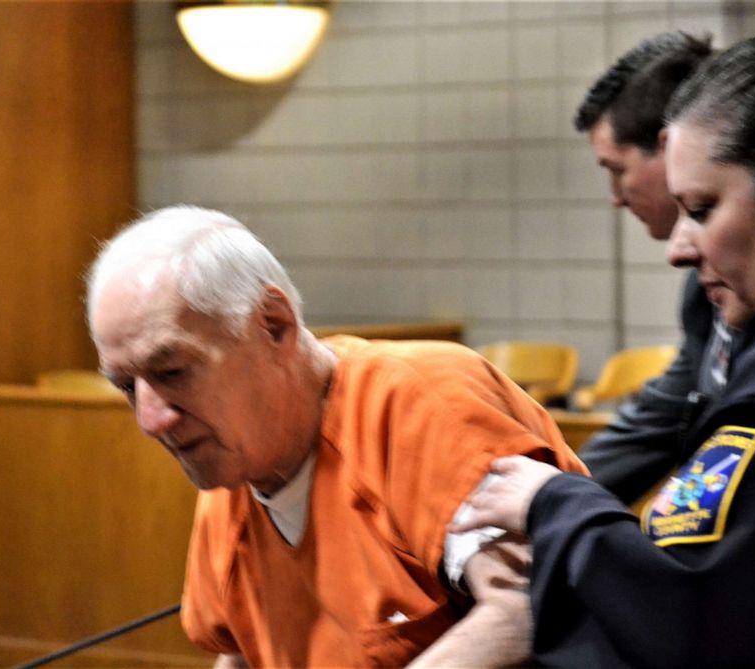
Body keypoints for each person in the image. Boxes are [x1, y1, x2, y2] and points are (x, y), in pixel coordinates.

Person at [85, 205, 586, 668]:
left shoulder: (419, 400)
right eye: (128, 387)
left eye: (173, 372)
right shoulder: (233, 471)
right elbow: (243, 654)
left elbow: (526, 605)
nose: (151, 421)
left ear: (274, 325)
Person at [452, 35, 755, 667]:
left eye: (700, 207)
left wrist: (554, 503)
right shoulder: (715, 293)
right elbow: (666, 417)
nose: (680, 246)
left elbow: (694, 613)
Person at [569, 31, 755, 506]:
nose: (615, 197)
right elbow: (665, 416)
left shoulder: (746, 280)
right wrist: (553, 497)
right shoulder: (708, 290)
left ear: (668, 143)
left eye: (616, 168)